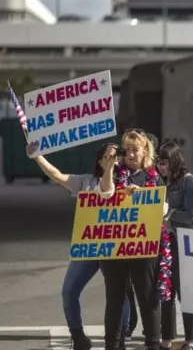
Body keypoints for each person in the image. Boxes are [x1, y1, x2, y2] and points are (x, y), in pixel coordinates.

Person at [25, 141, 129, 350]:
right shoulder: (85, 181)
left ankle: (121, 338)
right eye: (108, 157)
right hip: (88, 247)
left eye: (116, 157)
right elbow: (57, 175)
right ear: (99, 161)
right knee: (69, 291)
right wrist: (37, 157)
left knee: (120, 296)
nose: (112, 160)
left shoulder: (127, 183)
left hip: (115, 249)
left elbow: (115, 193)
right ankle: (78, 335)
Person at [101, 129, 166, 350]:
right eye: (126, 150)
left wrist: (143, 195)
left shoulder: (153, 176)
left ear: (145, 151)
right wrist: (109, 168)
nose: (129, 154)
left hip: (144, 246)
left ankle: (153, 344)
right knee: (115, 299)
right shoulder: (117, 171)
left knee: (147, 298)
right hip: (117, 245)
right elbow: (105, 193)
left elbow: (162, 207)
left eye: (135, 150)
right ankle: (113, 345)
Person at [156, 141, 193, 350]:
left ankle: (190, 339)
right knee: (166, 291)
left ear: (174, 161)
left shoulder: (188, 181)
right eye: (158, 162)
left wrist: (168, 213)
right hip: (164, 242)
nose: (161, 166)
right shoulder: (161, 182)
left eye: (164, 162)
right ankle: (166, 338)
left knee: (185, 292)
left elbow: (189, 215)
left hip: (183, 242)